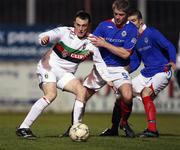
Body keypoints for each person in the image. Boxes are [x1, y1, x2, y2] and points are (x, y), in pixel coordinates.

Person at [15, 10, 107, 139]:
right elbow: (43, 35)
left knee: (81, 91)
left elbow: (100, 64)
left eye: (84, 26)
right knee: (51, 95)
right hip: (48, 67)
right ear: (74, 24)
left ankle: (76, 128)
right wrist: (44, 39)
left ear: (89, 26)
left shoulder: (92, 42)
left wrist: (110, 80)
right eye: (78, 25)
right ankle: (23, 127)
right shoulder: (64, 31)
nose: (80, 29)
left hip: (65, 74)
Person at [60, 0, 138, 138]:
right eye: (116, 14)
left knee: (127, 96)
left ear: (127, 14)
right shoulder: (104, 25)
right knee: (81, 95)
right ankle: (73, 127)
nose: (118, 17)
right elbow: (90, 42)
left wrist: (105, 44)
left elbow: (126, 54)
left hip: (119, 69)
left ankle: (123, 123)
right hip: (100, 68)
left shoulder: (132, 29)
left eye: (121, 14)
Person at [100, 8, 177, 138]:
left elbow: (169, 45)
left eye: (134, 21)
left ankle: (152, 130)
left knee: (145, 92)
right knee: (122, 97)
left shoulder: (152, 33)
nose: (132, 24)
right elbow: (135, 62)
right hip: (146, 73)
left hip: (161, 71)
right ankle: (115, 128)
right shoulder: (134, 39)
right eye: (129, 22)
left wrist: (172, 61)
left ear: (140, 21)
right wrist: (124, 71)